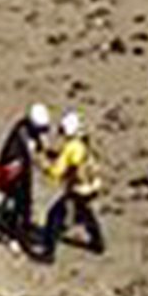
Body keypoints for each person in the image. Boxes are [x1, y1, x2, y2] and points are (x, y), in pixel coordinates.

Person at [40, 111, 104, 262]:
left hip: (78, 190)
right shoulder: (83, 142)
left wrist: (44, 165)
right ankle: (98, 243)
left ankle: (49, 253)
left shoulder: (70, 148)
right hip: (92, 186)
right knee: (86, 214)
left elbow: (56, 172)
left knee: (54, 216)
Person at [0, 103, 52, 249]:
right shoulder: (21, 137)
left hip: (23, 170)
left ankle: (25, 225)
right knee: (15, 205)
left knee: (26, 201)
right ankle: (10, 234)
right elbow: (30, 155)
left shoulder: (28, 129)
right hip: (13, 173)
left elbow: (40, 145)